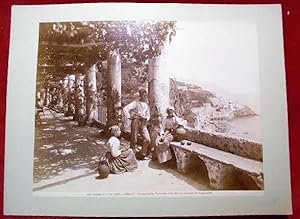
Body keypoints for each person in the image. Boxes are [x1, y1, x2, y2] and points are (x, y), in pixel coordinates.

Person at [123, 88, 151, 160]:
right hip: (136, 121)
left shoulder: (147, 105)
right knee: (134, 139)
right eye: (143, 95)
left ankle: (142, 154)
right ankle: (131, 155)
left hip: (143, 123)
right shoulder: (135, 103)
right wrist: (129, 117)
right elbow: (125, 109)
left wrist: (146, 118)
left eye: (145, 95)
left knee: (147, 139)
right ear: (140, 96)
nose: (144, 97)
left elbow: (148, 115)